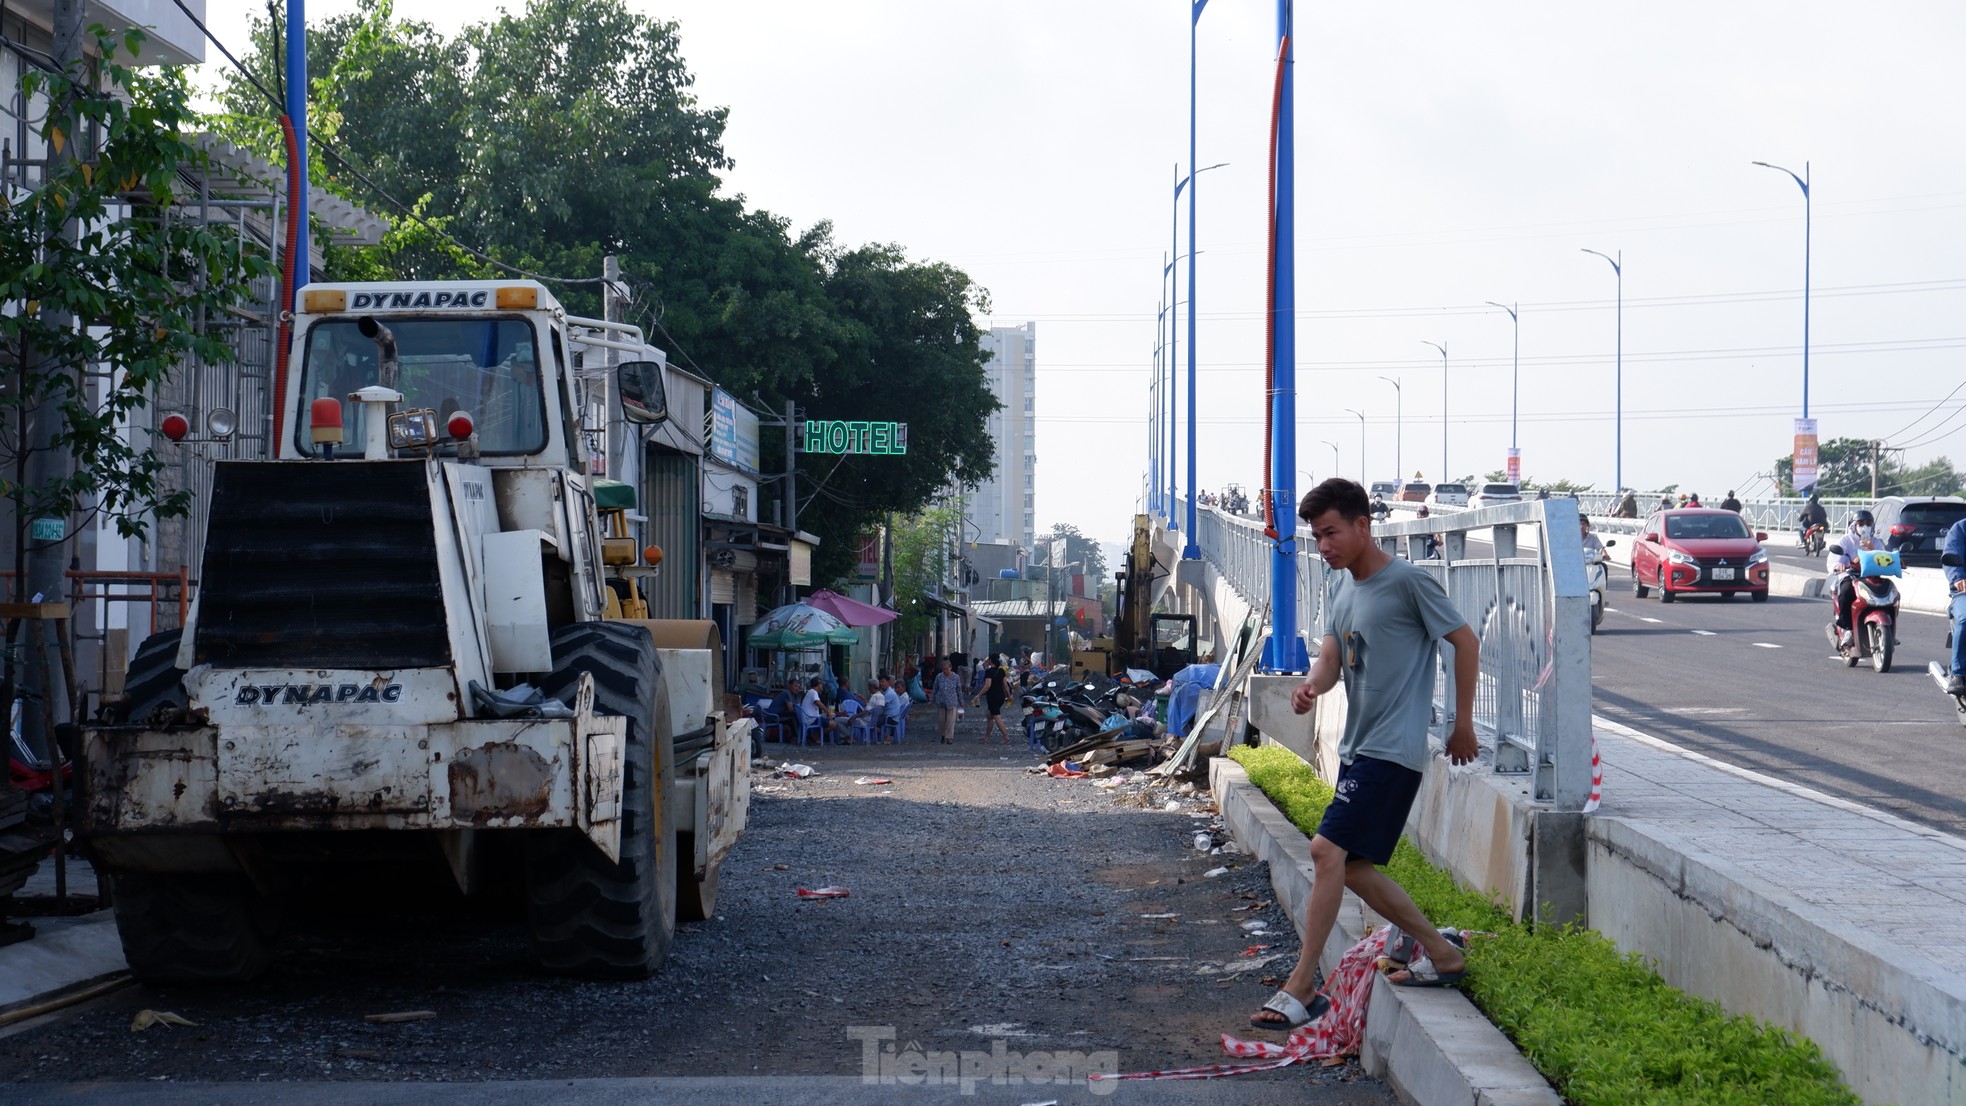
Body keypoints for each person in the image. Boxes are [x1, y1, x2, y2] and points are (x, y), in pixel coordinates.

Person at [1251, 477, 1480, 1033]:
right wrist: (1311, 687)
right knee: (1352, 866)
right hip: (1359, 745)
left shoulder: (1406, 582)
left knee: (1326, 850)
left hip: (1393, 748)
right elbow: (1332, 656)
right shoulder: (1343, 590)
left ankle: (1302, 985)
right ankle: (1440, 952)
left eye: (1331, 532)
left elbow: (1465, 640)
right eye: (1317, 535)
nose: (1324, 545)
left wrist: (1463, 723)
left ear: (1362, 525)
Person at [1827, 509, 1881, 647]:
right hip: (1851, 576)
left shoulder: (1876, 542)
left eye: (1868, 523)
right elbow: (1834, 560)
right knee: (1846, 592)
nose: (1865, 526)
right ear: (1853, 525)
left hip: (1871, 577)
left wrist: (1872, 548)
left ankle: (1886, 628)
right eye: (1861, 523)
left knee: (1890, 592)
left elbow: (1885, 557)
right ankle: (1848, 629)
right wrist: (1839, 565)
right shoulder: (1845, 541)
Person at [1943, 518, 1966, 696]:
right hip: (1963, 593)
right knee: (1965, 619)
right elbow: (1951, 555)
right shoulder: (1960, 528)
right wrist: (1958, 578)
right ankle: (1958, 673)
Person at [972, 655, 1012, 744]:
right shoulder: (1001, 671)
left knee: (997, 717)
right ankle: (986, 737)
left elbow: (987, 686)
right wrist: (1009, 696)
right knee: (989, 715)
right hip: (1001, 696)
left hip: (993, 697)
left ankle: (1006, 737)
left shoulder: (989, 672)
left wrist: (978, 695)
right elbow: (1005, 685)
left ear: (990, 661)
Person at [931, 658, 964, 744]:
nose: (945, 671)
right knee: (941, 721)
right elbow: (935, 688)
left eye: (946, 669)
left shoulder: (956, 677)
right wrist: (932, 699)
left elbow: (959, 689)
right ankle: (943, 735)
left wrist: (961, 700)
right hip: (941, 701)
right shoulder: (939, 677)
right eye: (943, 669)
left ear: (951, 668)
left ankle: (949, 737)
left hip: (952, 701)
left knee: (951, 721)